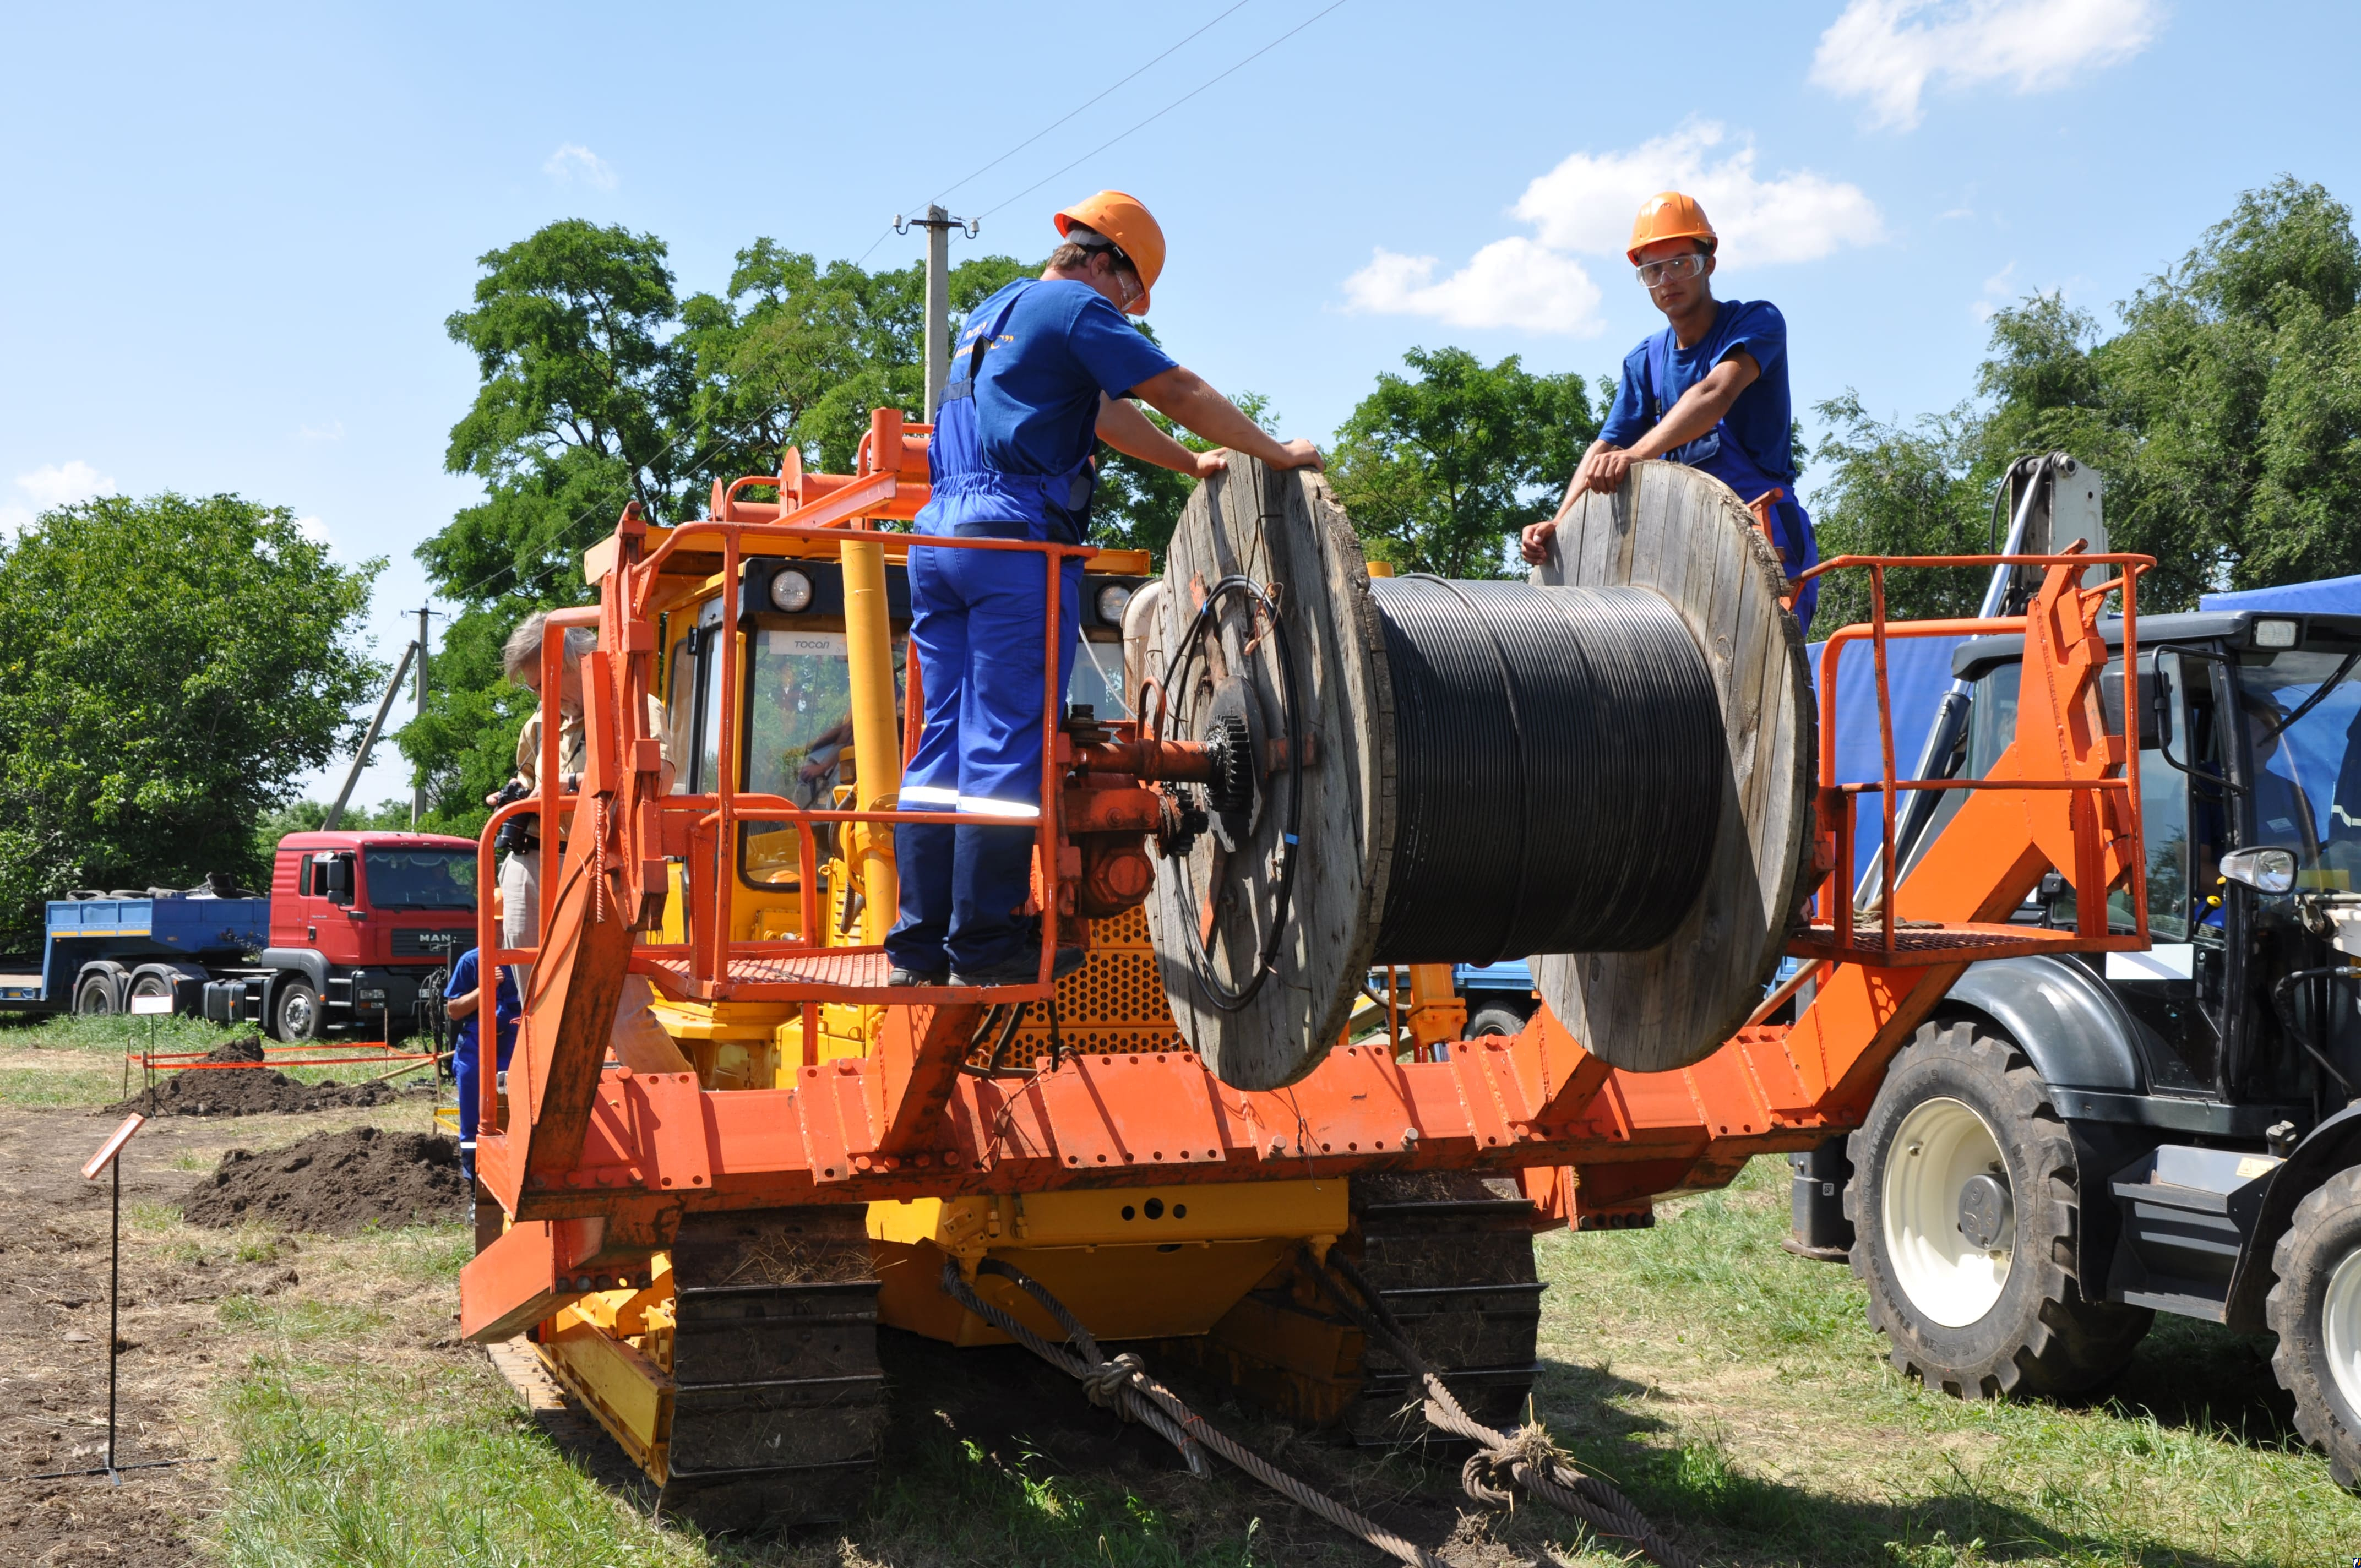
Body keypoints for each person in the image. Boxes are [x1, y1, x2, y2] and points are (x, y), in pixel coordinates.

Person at [885, 190, 1325, 987]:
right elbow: (1176, 390)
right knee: (1003, 742)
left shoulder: (994, 315)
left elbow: (1103, 414)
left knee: (940, 744)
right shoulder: (1072, 308)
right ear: (1103, 260)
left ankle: (920, 947)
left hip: (938, 542)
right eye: (1129, 296)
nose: (1126, 311)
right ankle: (984, 946)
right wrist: (1274, 450)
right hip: (1013, 542)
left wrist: (1190, 465)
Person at [1520, 190, 1820, 631]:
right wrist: (1560, 522)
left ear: (1709, 263)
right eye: (1653, 270)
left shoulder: (1757, 323)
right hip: (1683, 545)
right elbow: (1606, 445)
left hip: (1764, 535)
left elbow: (1713, 394)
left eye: (1682, 263)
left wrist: (1635, 456)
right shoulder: (1646, 360)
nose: (1667, 279)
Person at [490, 611, 689, 1071]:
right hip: (534, 862)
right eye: (532, 689)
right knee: (537, 1003)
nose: (539, 698)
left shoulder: (635, 707)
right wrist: (514, 794)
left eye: (542, 684)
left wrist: (570, 785)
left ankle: (690, 1104)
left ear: (577, 662)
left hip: (598, 867)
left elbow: (658, 779)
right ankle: (553, 1099)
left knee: (624, 1012)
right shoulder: (539, 725)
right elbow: (529, 778)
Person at [445, 922, 520, 1191]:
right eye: (496, 925)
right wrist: (485, 988)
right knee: (473, 1121)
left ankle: (515, 1178)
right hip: (477, 1048)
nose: (500, 931)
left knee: (519, 1115)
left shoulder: (528, 957)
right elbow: (454, 1010)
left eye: (504, 924)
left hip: (516, 1043)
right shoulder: (471, 961)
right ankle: (476, 1188)